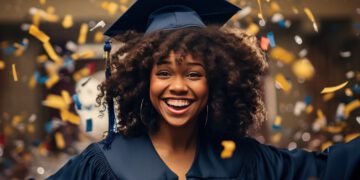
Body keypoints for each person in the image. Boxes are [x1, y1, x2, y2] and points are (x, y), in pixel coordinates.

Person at [48, 0, 360, 179]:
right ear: (144, 82)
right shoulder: (103, 165)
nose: (179, 86)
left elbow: (331, 168)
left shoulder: (246, 161)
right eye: (164, 72)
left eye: (194, 74)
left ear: (216, 82)